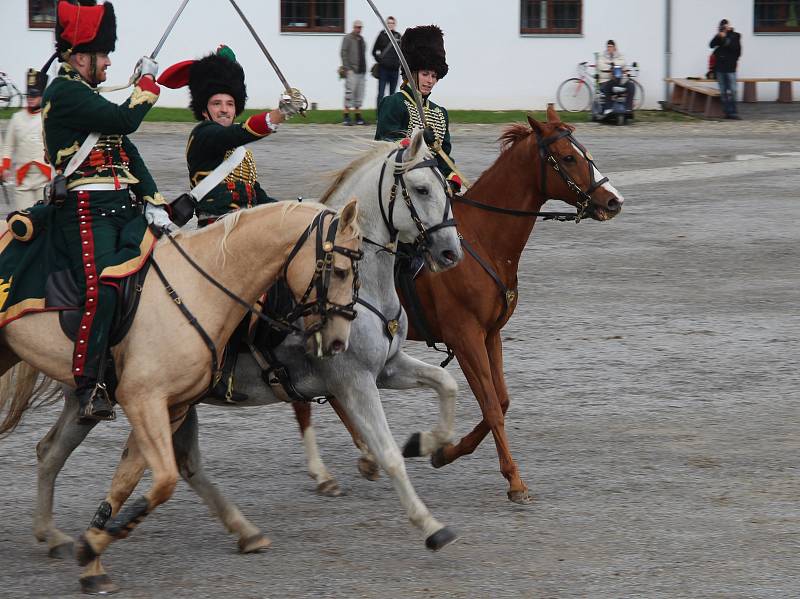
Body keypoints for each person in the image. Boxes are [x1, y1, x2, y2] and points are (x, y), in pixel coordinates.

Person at [41, 0, 172, 421]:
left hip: (122, 205)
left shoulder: (86, 95)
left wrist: (154, 201)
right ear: (81, 57)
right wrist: (147, 81)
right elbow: (125, 119)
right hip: (85, 209)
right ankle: (89, 384)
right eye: (103, 56)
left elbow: (127, 150)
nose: (109, 62)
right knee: (105, 284)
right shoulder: (63, 93)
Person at [158, 45, 306, 401]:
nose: (224, 110)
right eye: (216, 104)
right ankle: (220, 367)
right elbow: (234, 134)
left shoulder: (244, 154)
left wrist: (297, 211)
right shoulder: (205, 136)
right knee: (241, 297)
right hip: (217, 234)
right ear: (204, 108)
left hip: (247, 232)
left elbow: (257, 196)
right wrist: (278, 115)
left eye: (228, 104)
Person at [375, 25, 461, 193]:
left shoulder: (440, 113)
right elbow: (384, 147)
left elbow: (444, 155)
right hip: (400, 183)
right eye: (425, 74)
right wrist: (417, 140)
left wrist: (451, 176)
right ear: (411, 73)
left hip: (433, 183)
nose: (430, 81)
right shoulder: (394, 103)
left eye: (434, 76)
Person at [0, 69, 51, 211]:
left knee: (44, 219)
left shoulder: (48, 118)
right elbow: (8, 147)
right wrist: (3, 167)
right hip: (23, 177)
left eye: (34, 96)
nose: (30, 98)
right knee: (23, 219)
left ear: (42, 96)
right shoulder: (17, 118)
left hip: (44, 176)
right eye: (29, 95)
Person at [710, 19, 742, 120]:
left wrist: (725, 36)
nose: (724, 28)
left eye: (725, 26)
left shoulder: (735, 35)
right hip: (720, 68)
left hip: (731, 68)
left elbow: (735, 48)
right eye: (722, 26)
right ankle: (727, 112)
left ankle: (733, 112)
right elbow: (711, 45)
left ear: (729, 26)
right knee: (723, 91)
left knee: (733, 90)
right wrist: (717, 35)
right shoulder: (719, 36)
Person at [596, 40, 636, 115]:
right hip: (606, 80)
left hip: (619, 80)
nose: (609, 48)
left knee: (631, 85)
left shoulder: (620, 56)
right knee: (608, 85)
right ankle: (608, 108)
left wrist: (613, 65)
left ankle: (628, 108)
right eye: (608, 47)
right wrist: (612, 68)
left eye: (611, 46)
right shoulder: (602, 56)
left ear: (614, 47)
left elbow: (623, 63)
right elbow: (601, 66)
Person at [340, 20, 367, 126]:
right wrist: (347, 68)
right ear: (353, 27)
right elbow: (343, 52)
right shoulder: (347, 38)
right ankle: (346, 116)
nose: (358, 29)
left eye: (360, 27)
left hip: (361, 71)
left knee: (359, 93)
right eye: (357, 27)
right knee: (349, 92)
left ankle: (358, 116)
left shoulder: (362, 39)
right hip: (352, 70)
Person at [372, 16, 402, 106]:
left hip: (395, 70)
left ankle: (390, 116)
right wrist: (380, 60)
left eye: (392, 23)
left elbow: (402, 52)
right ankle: (379, 116)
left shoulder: (398, 36)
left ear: (395, 24)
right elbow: (374, 51)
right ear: (386, 24)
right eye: (388, 23)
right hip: (383, 70)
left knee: (392, 95)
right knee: (381, 94)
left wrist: (398, 63)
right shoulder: (381, 35)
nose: (390, 25)